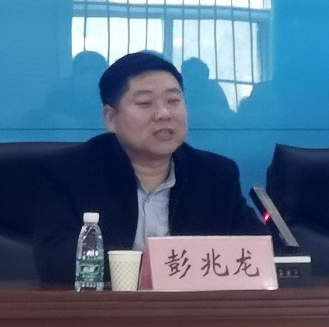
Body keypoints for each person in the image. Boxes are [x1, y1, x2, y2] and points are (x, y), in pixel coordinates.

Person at [33, 51, 268, 284]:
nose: (164, 114)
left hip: (193, 307)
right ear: (111, 118)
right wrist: (163, 267)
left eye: (173, 101)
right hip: (101, 307)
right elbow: (56, 263)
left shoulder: (216, 175)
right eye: (145, 103)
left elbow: (258, 255)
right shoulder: (68, 172)